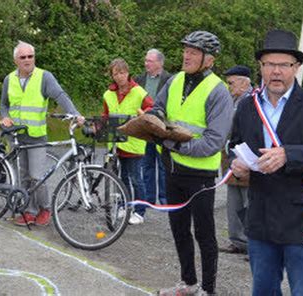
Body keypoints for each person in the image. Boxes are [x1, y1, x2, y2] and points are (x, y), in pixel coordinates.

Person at [229, 29, 303, 295]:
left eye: (284, 65)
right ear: (261, 66)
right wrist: (237, 164)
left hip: (301, 219)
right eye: (270, 64)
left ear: (296, 67)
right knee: (263, 290)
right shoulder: (247, 107)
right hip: (260, 217)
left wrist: (289, 155)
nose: (276, 71)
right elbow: (234, 144)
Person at [154, 31, 234, 295]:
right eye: (186, 50)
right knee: (178, 229)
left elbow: (213, 141)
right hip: (173, 169)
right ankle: (188, 282)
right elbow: (159, 107)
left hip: (200, 175)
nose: (186, 55)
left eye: (194, 52)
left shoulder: (218, 91)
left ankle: (208, 290)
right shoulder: (175, 79)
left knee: (204, 234)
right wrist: (153, 116)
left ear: (209, 60)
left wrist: (173, 144)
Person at [0, 41, 85, 227]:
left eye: (30, 56)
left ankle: (45, 208)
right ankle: (29, 211)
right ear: (16, 60)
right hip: (16, 136)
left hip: (36, 136)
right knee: (23, 177)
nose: (27, 60)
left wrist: (75, 113)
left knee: (37, 176)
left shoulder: (44, 77)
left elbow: (60, 95)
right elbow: (4, 104)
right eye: (23, 57)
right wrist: (5, 117)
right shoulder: (9, 79)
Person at [102, 58, 153, 225]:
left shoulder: (139, 92)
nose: (119, 77)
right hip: (116, 143)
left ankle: (140, 211)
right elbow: (105, 116)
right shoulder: (108, 94)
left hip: (134, 142)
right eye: (115, 73)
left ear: (128, 73)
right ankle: (124, 206)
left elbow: (151, 109)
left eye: (122, 73)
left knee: (136, 178)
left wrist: (141, 116)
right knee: (121, 178)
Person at [219, 65, 253, 255]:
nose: (229, 85)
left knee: (249, 201)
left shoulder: (252, 99)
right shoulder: (233, 99)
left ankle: (252, 245)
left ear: (243, 82)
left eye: (231, 82)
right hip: (230, 155)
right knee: (233, 201)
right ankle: (237, 241)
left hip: (245, 155)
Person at [135, 49, 171, 208]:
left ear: (159, 63)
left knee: (163, 166)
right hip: (145, 128)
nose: (146, 63)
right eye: (145, 60)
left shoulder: (170, 80)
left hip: (162, 128)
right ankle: (149, 199)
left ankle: (164, 199)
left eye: (149, 61)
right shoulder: (139, 79)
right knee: (146, 165)